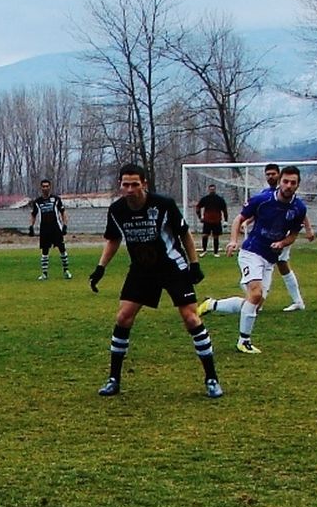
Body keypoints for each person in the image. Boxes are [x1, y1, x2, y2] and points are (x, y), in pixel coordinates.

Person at [88, 163, 223, 399]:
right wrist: (100, 268)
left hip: (172, 266)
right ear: (120, 185)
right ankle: (113, 379)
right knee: (123, 317)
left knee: (191, 318)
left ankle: (211, 378)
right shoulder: (117, 210)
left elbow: (185, 234)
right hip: (142, 270)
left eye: (135, 184)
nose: (130, 189)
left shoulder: (163, 204)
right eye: (125, 184)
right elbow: (113, 239)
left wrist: (194, 264)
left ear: (144, 184)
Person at [197, 166, 307, 354]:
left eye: (293, 183)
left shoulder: (299, 208)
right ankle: (243, 341)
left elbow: (294, 234)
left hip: (269, 259)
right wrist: (233, 240)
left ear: (298, 185)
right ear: (280, 181)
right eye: (285, 181)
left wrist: (282, 242)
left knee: (254, 303)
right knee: (255, 295)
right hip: (251, 252)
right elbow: (238, 219)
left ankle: (212, 304)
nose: (288, 186)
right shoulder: (262, 200)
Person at [260, 163, 315, 311]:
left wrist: (309, 229)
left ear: (279, 176)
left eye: (273, 174)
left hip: (283, 236)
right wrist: (246, 221)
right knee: (281, 264)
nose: (271, 176)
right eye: (268, 174)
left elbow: (300, 212)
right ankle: (296, 301)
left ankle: (259, 299)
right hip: (268, 236)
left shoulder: (289, 194)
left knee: (273, 263)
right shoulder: (266, 194)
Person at [28, 179, 72, 280]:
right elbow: (33, 215)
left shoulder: (56, 199)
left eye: (47, 186)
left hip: (56, 228)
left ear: (50, 187)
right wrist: (31, 226)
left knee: (62, 249)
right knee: (44, 251)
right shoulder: (37, 202)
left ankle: (66, 271)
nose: (45, 188)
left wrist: (65, 225)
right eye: (43, 186)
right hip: (44, 229)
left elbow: (63, 212)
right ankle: (44, 274)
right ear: (41, 188)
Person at [195, 183, 228, 257]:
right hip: (207, 221)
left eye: (213, 189)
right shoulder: (205, 199)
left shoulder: (219, 199)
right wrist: (200, 217)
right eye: (211, 189)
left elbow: (224, 210)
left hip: (217, 221)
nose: (212, 190)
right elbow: (198, 207)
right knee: (205, 235)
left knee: (216, 236)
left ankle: (216, 252)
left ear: (215, 189)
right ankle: (204, 251)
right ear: (208, 190)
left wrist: (226, 220)